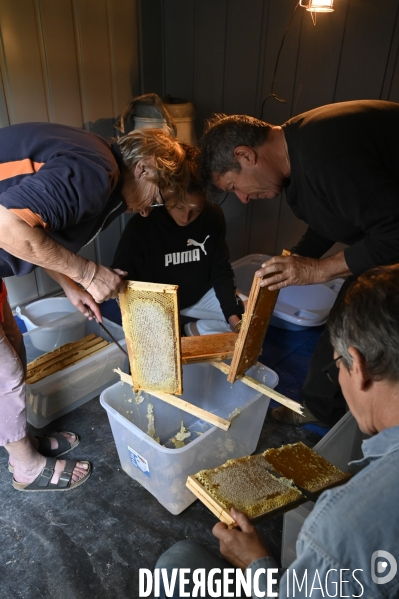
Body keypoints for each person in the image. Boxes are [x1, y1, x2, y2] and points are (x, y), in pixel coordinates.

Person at [154, 265, 399, 598]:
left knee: (178, 564)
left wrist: (255, 563)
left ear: (358, 366)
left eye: (335, 365)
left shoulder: (343, 529)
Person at [0, 122, 188, 492]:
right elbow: (8, 227)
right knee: (3, 372)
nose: (150, 210)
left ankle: (17, 439)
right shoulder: (94, 171)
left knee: (13, 346)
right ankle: (25, 466)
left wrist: (70, 284)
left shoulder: (97, 160)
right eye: (159, 196)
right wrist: (87, 272)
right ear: (145, 168)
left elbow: (37, 228)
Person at [199, 100, 399, 427]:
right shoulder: (296, 152)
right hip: (388, 230)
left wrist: (318, 270)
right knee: (348, 314)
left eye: (235, 186)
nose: (244, 198)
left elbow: (393, 233)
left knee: (373, 322)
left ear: (245, 156)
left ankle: (381, 431)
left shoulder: (326, 156)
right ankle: (320, 407)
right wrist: (299, 256)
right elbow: (332, 216)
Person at [112, 144, 243, 336]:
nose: (186, 218)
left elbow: (220, 270)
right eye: (179, 207)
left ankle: (191, 330)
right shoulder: (142, 225)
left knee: (249, 317)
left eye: (195, 210)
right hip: (158, 304)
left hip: (199, 297)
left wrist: (233, 318)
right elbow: (125, 284)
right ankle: (171, 332)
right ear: (167, 196)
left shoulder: (213, 216)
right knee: (153, 344)